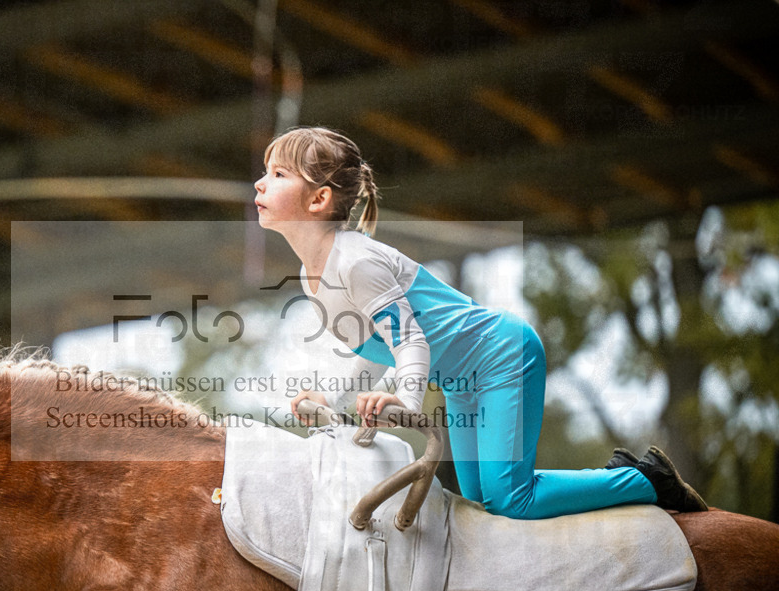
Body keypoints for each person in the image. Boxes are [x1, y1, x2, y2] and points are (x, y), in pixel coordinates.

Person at [254, 126, 707, 519]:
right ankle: (623, 479)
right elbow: (378, 349)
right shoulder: (312, 278)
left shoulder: (356, 262)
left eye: (278, 174)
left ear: (319, 199)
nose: (260, 183)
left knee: (511, 500)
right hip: (462, 382)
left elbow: (410, 342)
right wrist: (334, 400)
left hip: (502, 355)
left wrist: (406, 399)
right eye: (266, 172)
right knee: (478, 502)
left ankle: (647, 481)